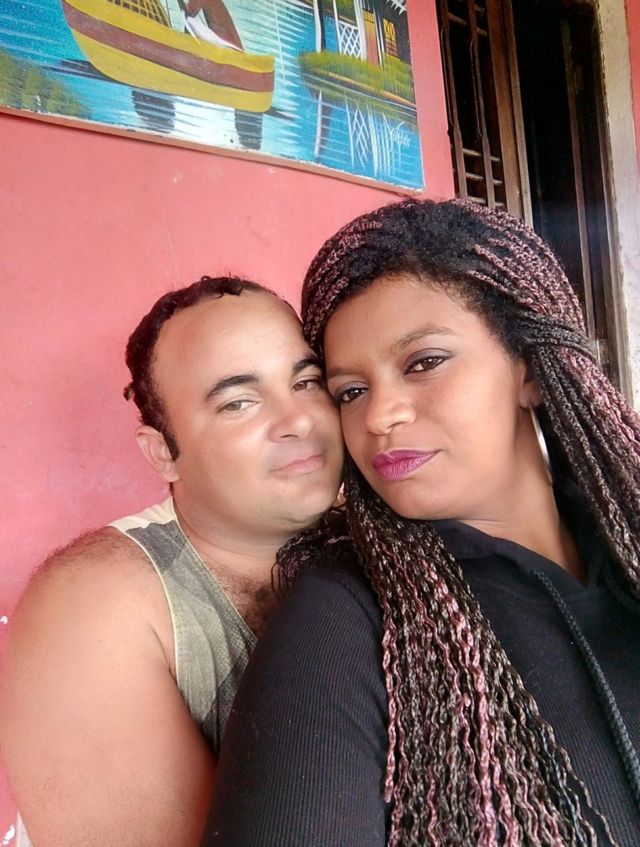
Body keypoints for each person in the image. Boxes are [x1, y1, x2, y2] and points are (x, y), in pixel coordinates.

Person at [202, 201, 640, 847]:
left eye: (423, 362)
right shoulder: (345, 619)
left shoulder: (623, 546)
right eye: (351, 391)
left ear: (527, 368)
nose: (380, 416)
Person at [0, 275, 343, 847]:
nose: (299, 421)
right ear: (163, 453)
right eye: (238, 402)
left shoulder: (385, 533)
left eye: (306, 382)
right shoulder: (100, 600)